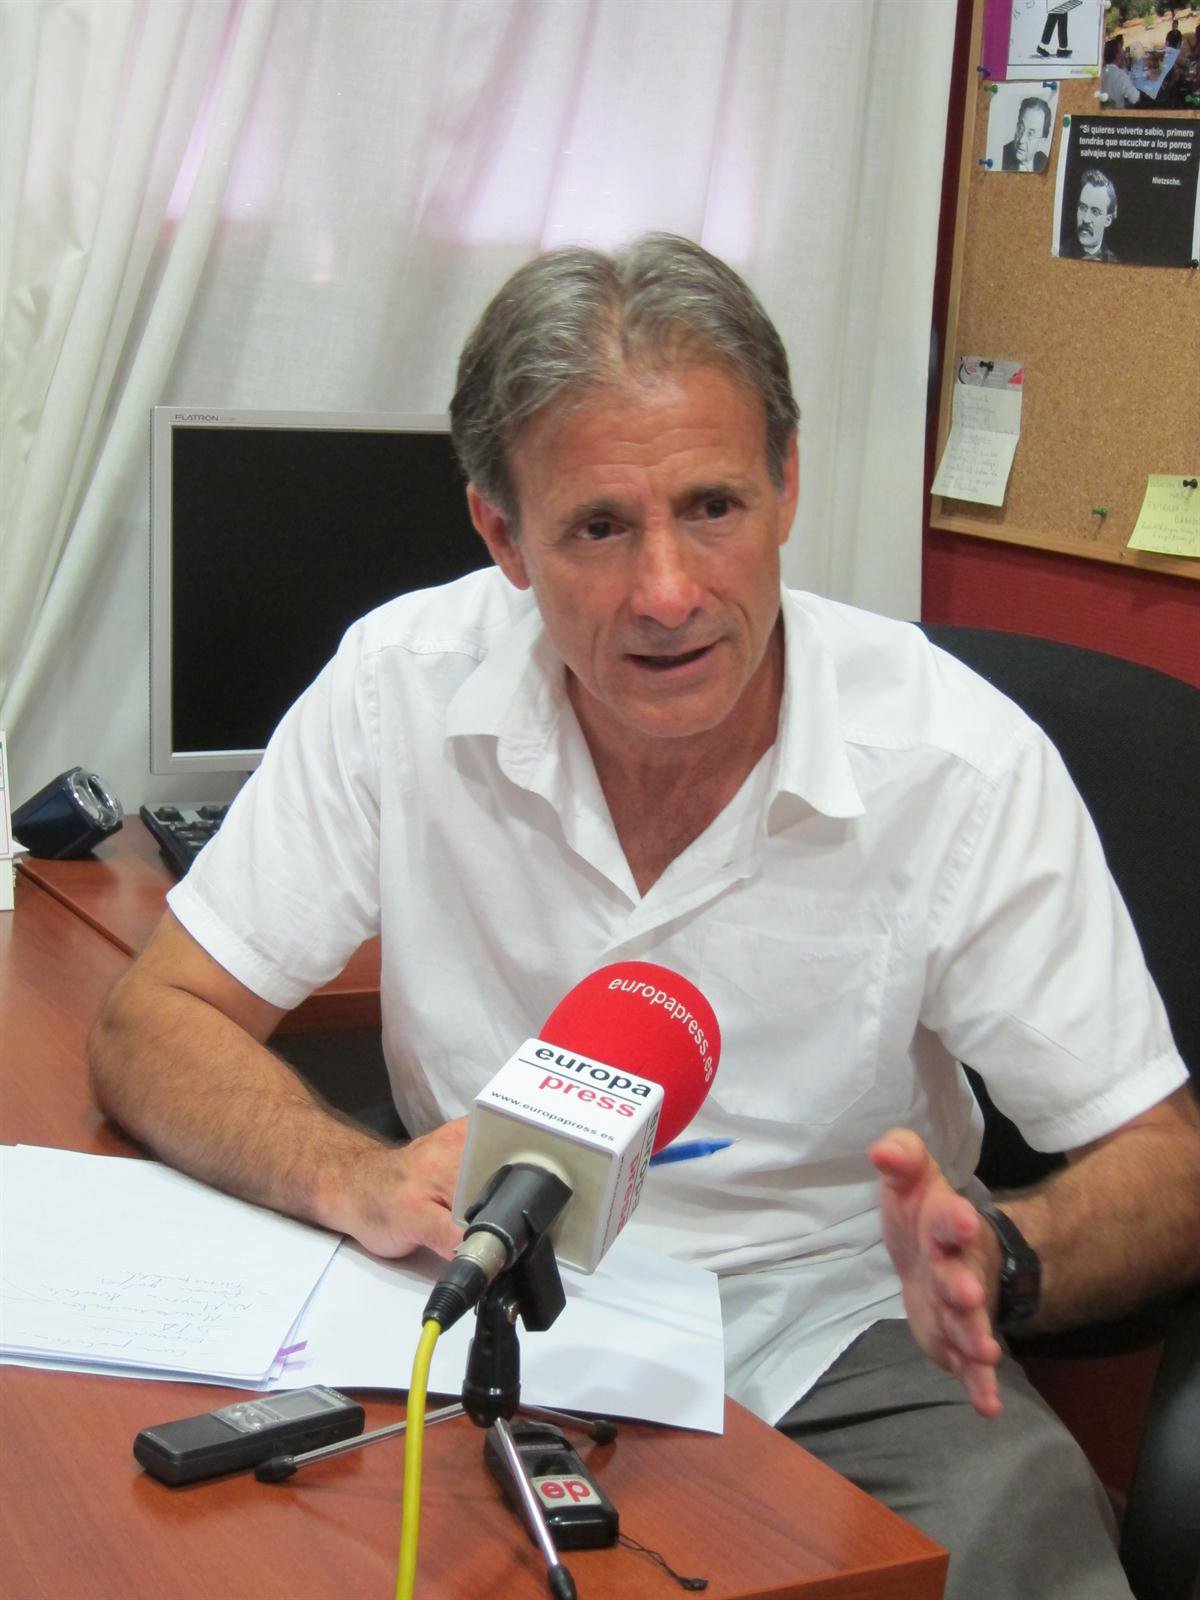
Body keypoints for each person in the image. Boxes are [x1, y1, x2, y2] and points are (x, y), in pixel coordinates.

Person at [88, 235, 1200, 1600]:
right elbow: (157, 1019)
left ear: (789, 486)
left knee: (1032, 1551)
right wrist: (348, 1174)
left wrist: (1010, 1257)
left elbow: (1165, 1163)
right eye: (599, 528)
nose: (668, 593)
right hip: (483, 1290)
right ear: (503, 535)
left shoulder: (958, 764)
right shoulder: (399, 687)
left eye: (715, 506)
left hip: (837, 1325)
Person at [1062, 167, 1120, 261]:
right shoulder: (1062, 252)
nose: (1086, 219)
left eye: (1095, 211)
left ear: (1108, 220)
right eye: (1083, 208)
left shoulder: (1113, 262)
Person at [1001, 96, 1052, 171]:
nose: (1021, 140)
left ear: (1042, 141)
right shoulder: (1000, 157)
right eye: (1020, 128)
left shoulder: (1045, 163)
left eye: (1030, 134)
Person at [1101, 37, 1143, 109]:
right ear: (1117, 55)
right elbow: (1136, 98)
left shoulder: (1100, 72)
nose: (1123, 53)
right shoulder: (1120, 75)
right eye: (1121, 50)